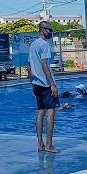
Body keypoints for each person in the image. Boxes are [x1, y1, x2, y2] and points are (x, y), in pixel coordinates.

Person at [29, 21, 61, 153]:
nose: (51, 33)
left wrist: (32, 83)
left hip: (36, 84)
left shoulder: (33, 44)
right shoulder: (44, 44)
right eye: (50, 30)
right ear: (43, 30)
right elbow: (44, 65)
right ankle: (49, 145)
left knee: (40, 113)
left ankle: (40, 144)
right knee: (51, 112)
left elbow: (29, 66)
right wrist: (52, 84)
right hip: (46, 84)